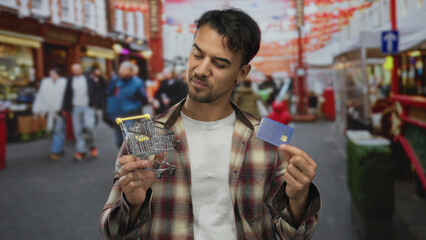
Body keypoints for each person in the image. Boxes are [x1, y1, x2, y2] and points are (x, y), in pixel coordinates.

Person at [100, 8, 320, 240]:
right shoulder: (145, 135)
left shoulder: (267, 137)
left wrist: (298, 198)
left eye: (220, 63)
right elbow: (112, 234)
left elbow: (293, 235)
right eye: (197, 53)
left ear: (242, 72)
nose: (201, 70)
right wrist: (132, 204)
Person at [106, 61, 147, 148]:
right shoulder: (115, 81)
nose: (121, 71)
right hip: (116, 115)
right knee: (119, 141)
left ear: (131, 72)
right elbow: (109, 95)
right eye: (120, 69)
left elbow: (143, 98)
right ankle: (123, 156)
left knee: (129, 139)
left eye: (125, 70)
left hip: (131, 115)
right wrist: (110, 112)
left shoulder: (137, 82)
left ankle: (132, 157)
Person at [63, 63, 99, 161]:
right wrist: (66, 108)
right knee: (77, 129)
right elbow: (67, 94)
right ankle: (81, 150)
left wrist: (95, 101)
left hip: (88, 106)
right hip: (75, 107)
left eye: (77, 69)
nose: (76, 71)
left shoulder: (88, 78)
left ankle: (92, 146)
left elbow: (96, 90)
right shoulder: (70, 80)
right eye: (74, 69)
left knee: (89, 126)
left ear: (81, 69)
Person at [32, 68, 67, 161]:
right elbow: (41, 96)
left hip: (60, 110)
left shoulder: (64, 82)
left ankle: (56, 151)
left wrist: (65, 108)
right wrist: (38, 108)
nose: (52, 76)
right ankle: (59, 148)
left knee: (58, 130)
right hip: (49, 111)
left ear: (58, 74)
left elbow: (67, 96)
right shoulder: (46, 82)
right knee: (55, 131)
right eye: (50, 74)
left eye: (53, 74)